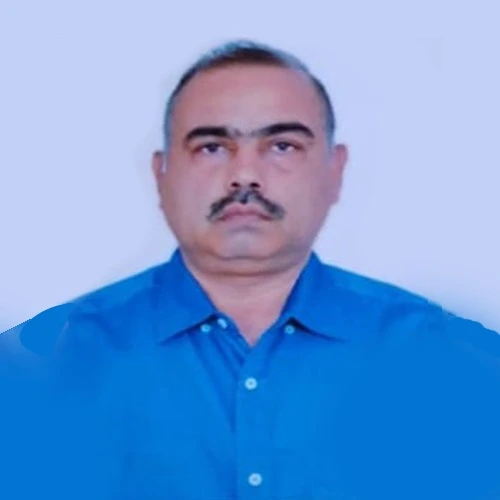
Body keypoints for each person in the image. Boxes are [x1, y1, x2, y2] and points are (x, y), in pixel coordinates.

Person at [1, 39, 500, 500]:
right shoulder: (33, 374)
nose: (244, 175)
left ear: (334, 171)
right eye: (211, 147)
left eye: (282, 146)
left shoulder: (458, 365)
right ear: (161, 175)